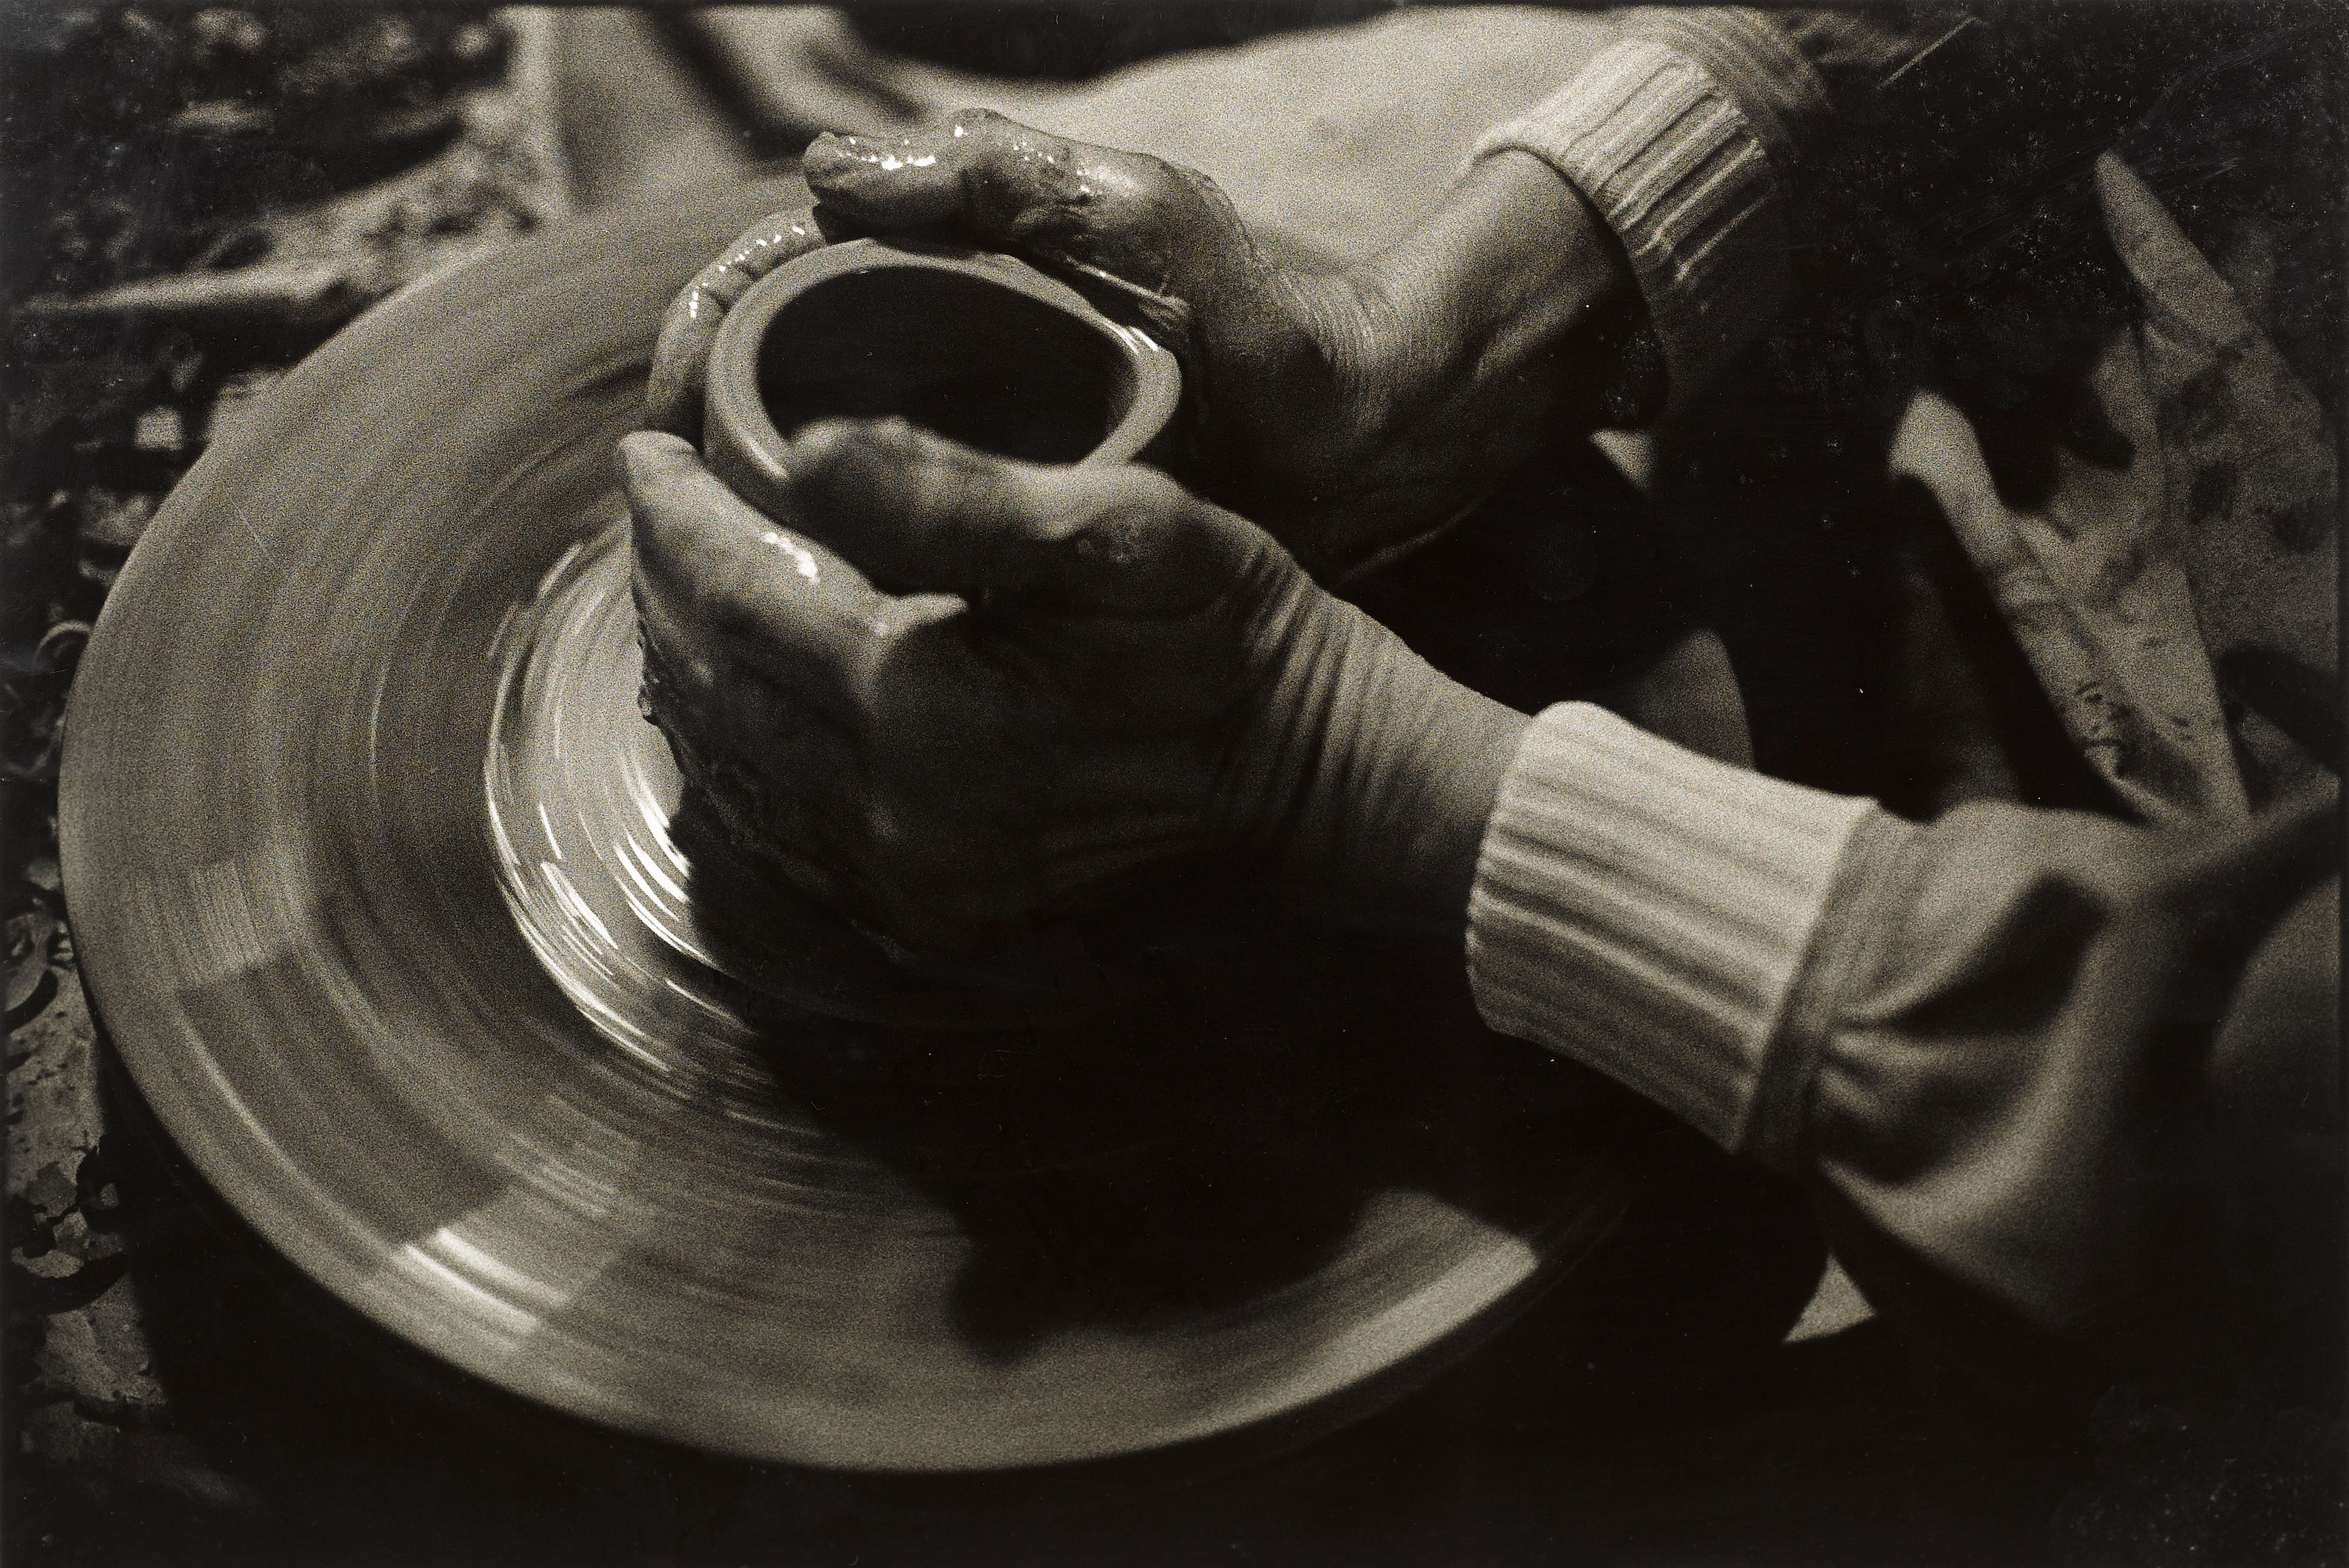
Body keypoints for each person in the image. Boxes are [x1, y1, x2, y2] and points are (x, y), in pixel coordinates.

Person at [621, 8, 2339, 1395]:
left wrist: (1333, 754)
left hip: (2181, 1017)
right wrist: (1420, 345)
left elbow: (2262, 1101)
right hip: (2105, 251)